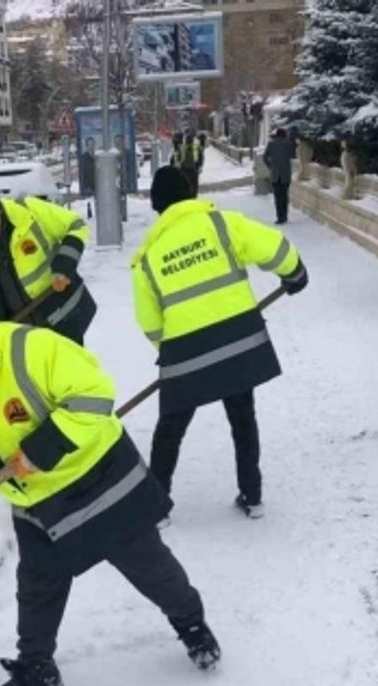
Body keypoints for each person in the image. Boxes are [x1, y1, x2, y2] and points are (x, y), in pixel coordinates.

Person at [0, 295, 220, 686]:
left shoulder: (31, 349)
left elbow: (93, 396)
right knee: (37, 586)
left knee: (148, 566)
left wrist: (39, 449)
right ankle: (37, 668)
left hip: (97, 482)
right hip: (33, 499)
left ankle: (192, 626)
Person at [132, 167, 308, 520]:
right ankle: (253, 497)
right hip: (237, 341)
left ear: (157, 206)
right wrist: (295, 273)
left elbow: (149, 322)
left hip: (186, 354)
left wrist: (170, 353)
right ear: (190, 193)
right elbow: (275, 247)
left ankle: (157, 507)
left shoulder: (148, 257)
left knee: (171, 427)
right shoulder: (222, 224)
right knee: (243, 417)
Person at [0, 184, 97, 345]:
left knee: (71, 361)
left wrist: (64, 266)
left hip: (61, 318)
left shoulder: (29, 212)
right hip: (20, 337)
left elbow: (76, 225)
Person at [262, 127, 295, 224]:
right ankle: (284, 215)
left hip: (275, 174)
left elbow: (265, 157)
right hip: (285, 174)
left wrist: (271, 166)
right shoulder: (288, 144)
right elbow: (293, 155)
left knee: (277, 197)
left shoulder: (271, 144)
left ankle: (279, 216)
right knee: (284, 195)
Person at [177, 131, 202, 196]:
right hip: (191, 170)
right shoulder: (195, 147)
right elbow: (201, 157)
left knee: (189, 185)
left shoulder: (182, 147)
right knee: (193, 185)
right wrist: (199, 165)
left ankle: (190, 196)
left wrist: (199, 165)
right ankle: (192, 196)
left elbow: (178, 158)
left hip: (188, 170)